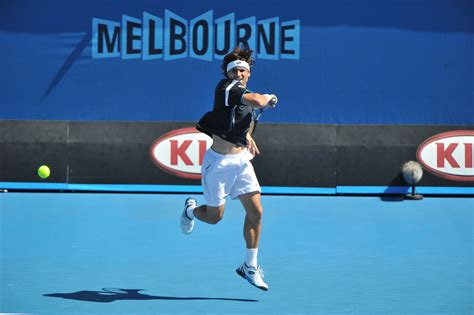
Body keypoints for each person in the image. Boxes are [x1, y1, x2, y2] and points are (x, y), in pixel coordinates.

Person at [180, 47, 278, 291]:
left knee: (256, 212)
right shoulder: (226, 88)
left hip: (242, 162)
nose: (239, 74)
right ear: (227, 72)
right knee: (215, 217)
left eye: (243, 70)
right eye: (234, 70)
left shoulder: (243, 96)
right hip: (219, 164)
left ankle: (250, 266)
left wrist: (247, 137)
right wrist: (268, 97)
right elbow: (256, 101)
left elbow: (244, 120)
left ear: (248, 73)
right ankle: (190, 211)